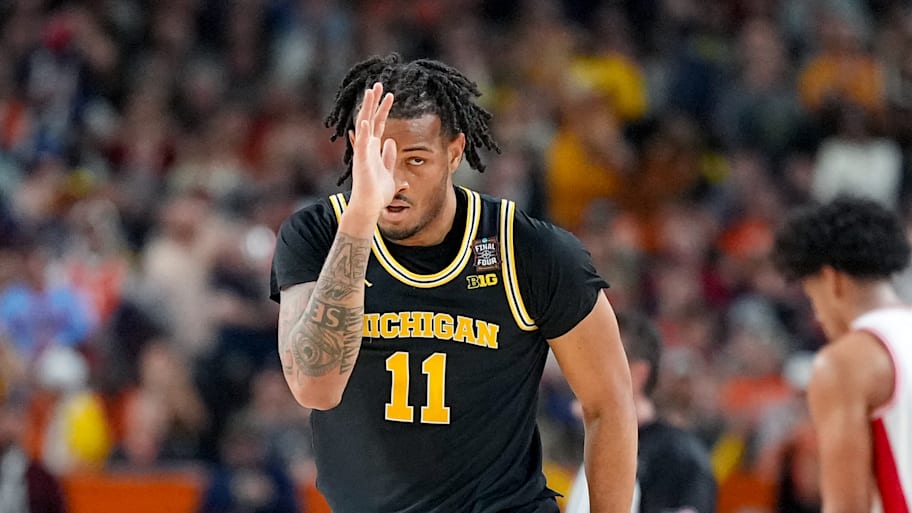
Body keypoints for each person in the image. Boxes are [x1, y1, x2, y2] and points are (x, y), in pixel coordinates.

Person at [269, 53, 637, 513]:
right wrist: (361, 218)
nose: (394, 181)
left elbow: (610, 403)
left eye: (415, 159)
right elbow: (315, 387)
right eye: (380, 158)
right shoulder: (318, 235)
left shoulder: (527, 251)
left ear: (455, 153)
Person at [772, 195, 912, 513]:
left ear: (832, 279)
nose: (818, 315)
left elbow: (847, 506)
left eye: (812, 296)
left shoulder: (844, 363)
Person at [565, 310, 717, 513]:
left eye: (596, 361)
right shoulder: (589, 446)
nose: (579, 371)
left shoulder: (678, 458)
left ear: (635, 375)